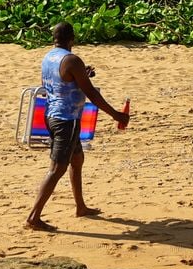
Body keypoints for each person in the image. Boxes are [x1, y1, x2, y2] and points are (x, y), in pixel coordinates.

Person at [26, 22, 130, 231]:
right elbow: (92, 93)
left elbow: (61, 81)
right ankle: (33, 217)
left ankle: (80, 207)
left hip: (52, 114)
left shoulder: (49, 57)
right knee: (57, 169)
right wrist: (116, 115)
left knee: (77, 159)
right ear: (72, 38)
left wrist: (83, 73)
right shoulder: (72, 60)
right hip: (67, 119)